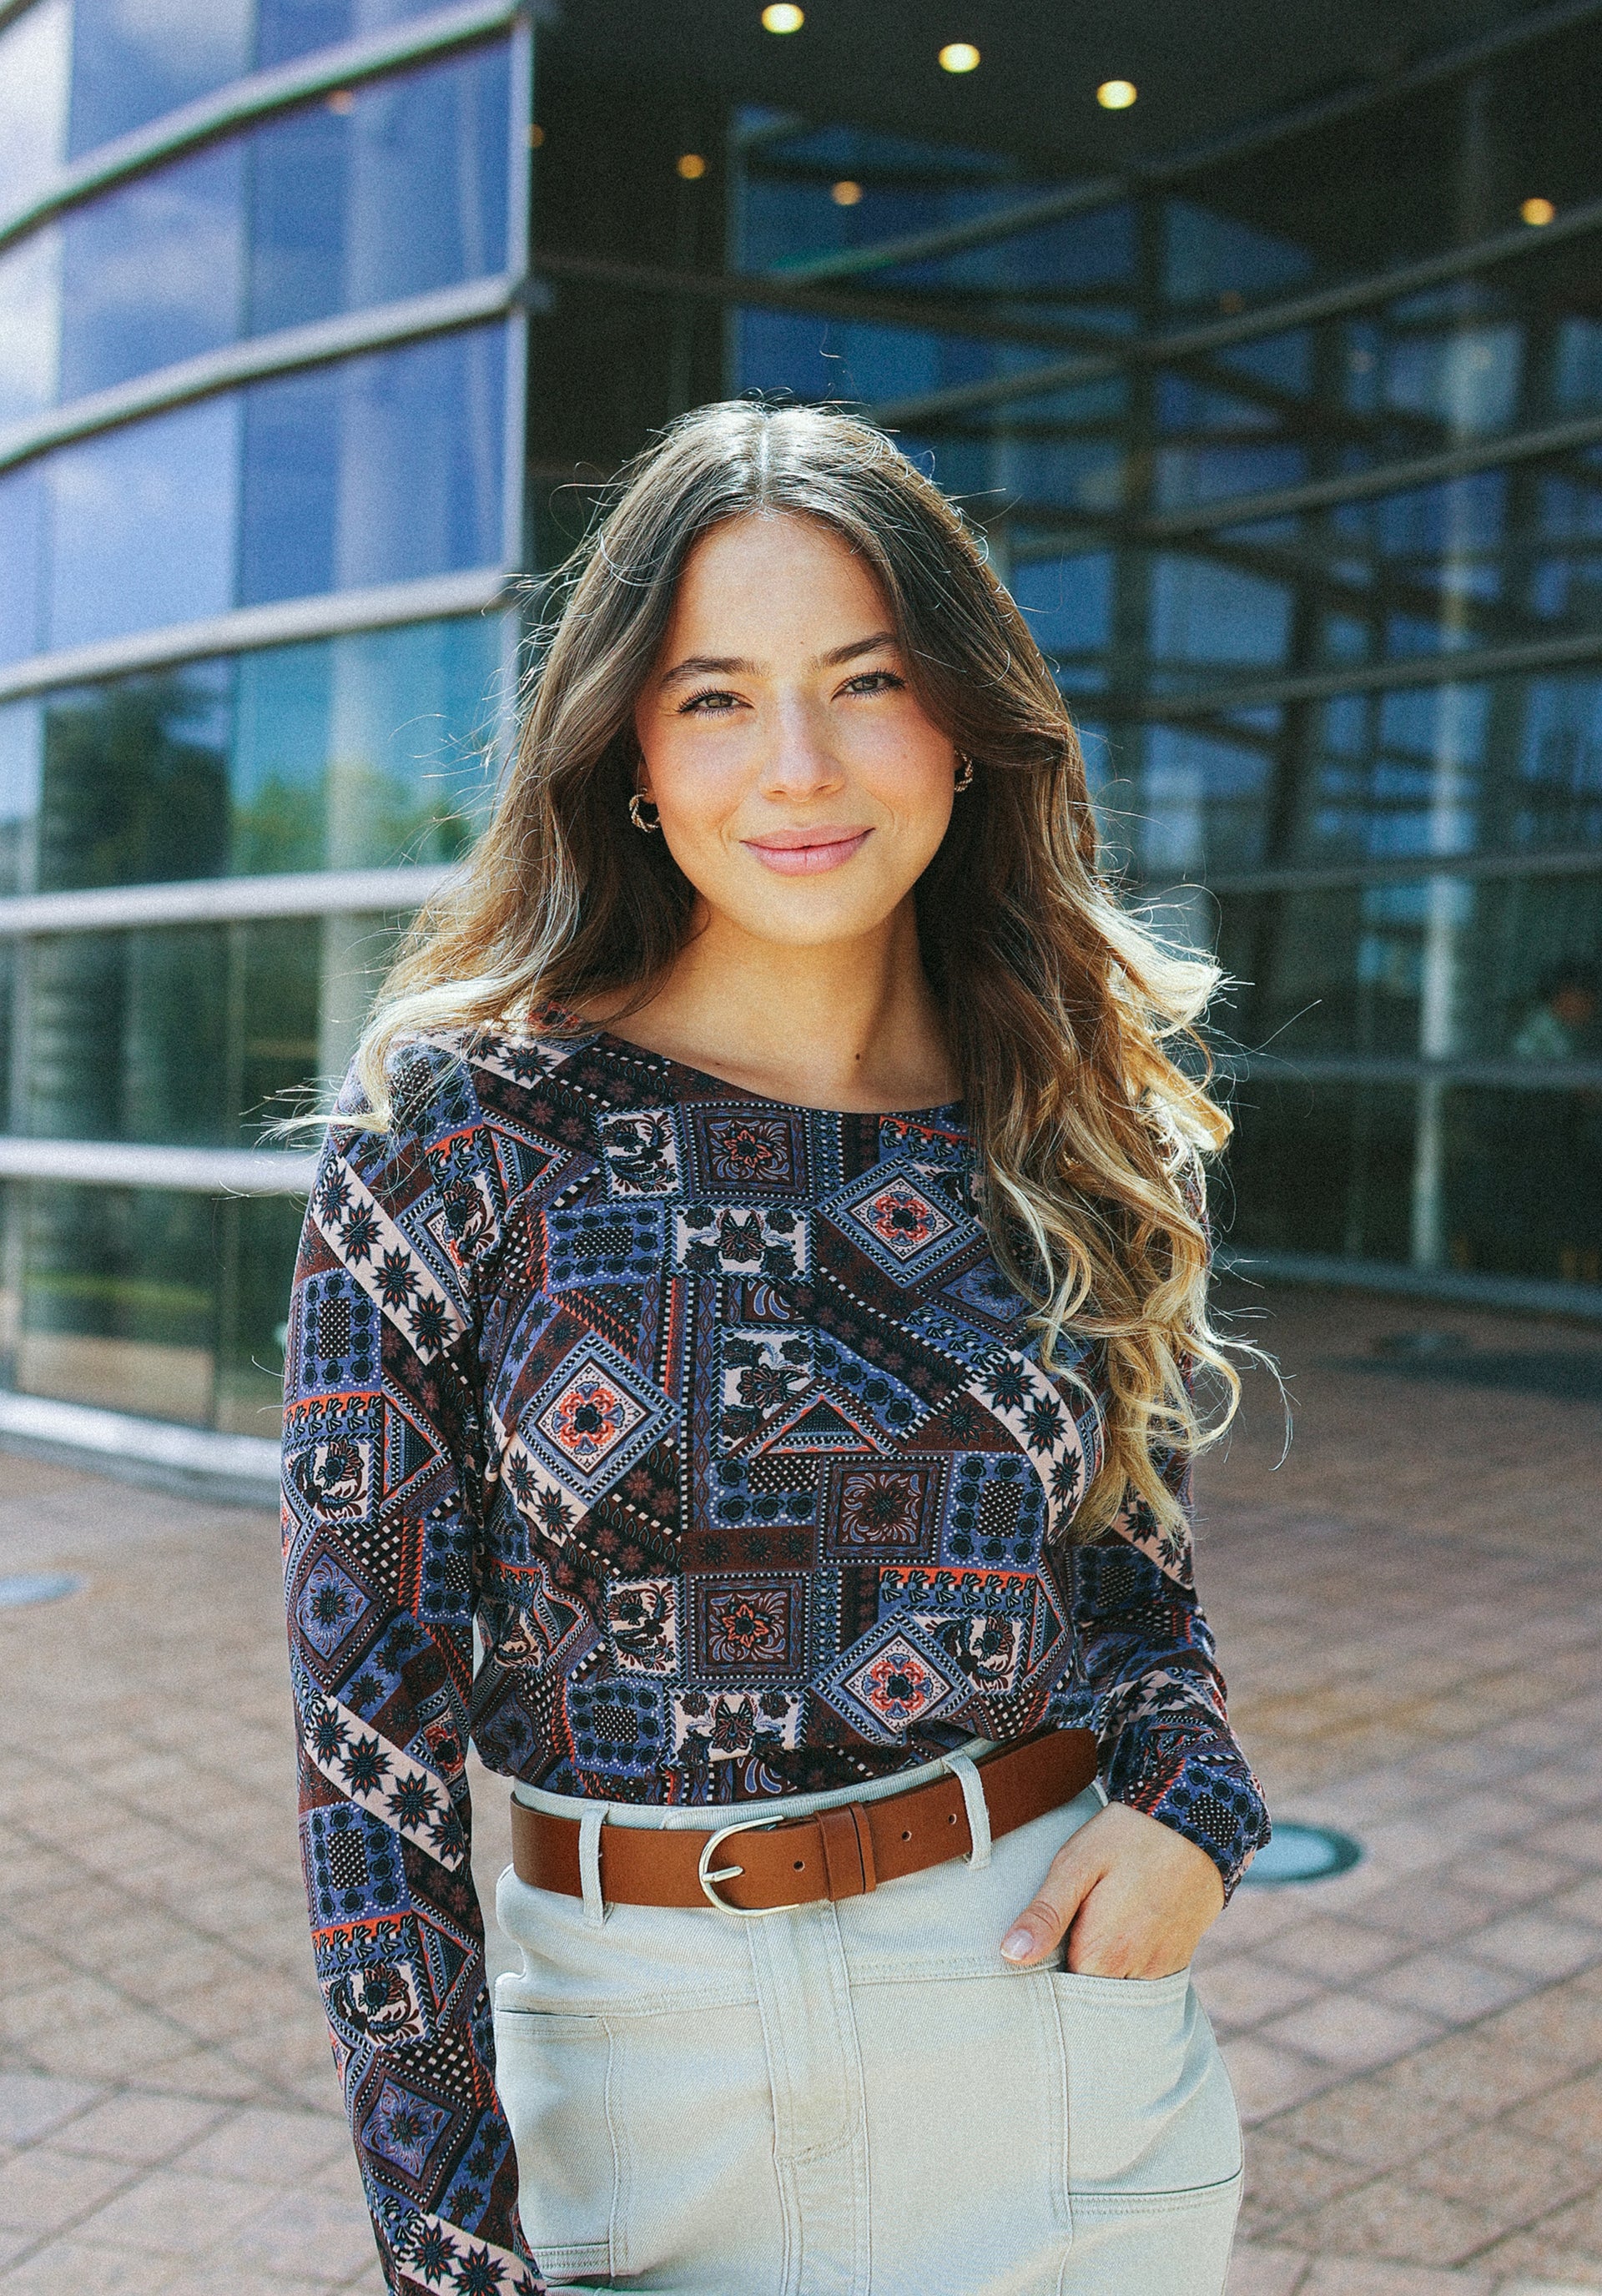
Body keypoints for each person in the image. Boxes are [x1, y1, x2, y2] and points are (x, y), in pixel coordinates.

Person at [282, 401, 1269, 2296]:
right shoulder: (457, 1131)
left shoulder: (1071, 1117)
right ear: (631, 751)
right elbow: (365, 1748)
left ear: (965, 725)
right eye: (717, 695)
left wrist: (1197, 1815)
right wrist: (447, 2254)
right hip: (643, 2088)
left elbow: (1139, 1597)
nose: (798, 765)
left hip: (1045, 2044)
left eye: (864, 681)